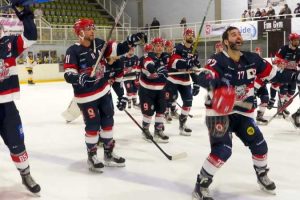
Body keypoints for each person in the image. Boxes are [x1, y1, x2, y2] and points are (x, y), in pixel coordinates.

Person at [192, 26, 300, 200]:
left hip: (243, 113)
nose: (238, 37)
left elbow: (276, 76)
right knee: (223, 150)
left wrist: (294, 77)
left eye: (239, 34)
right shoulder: (217, 60)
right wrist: (216, 82)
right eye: (234, 35)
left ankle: (261, 174)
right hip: (218, 113)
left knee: (260, 146)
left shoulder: (253, 59)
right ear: (226, 42)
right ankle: (201, 184)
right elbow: (204, 76)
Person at [64, 18, 146, 171]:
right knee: (93, 125)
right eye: (89, 28)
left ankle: (108, 153)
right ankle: (92, 156)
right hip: (86, 97)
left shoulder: (100, 44)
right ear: (80, 32)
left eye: (93, 27)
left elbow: (118, 49)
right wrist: (81, 78)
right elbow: (68, 74)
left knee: (108, 121)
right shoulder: (72, 51)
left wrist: (131, 40)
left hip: (103, 91)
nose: (92, 30)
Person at [0, 5, 40, 194]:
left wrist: (25, 14)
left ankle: (25, 174)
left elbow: (31, 36)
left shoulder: (8, 43)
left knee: (17, 141)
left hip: (6, 105)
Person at [167, 28, 201, 136]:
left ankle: (182, 125)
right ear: (184, 36)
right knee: (171, 98)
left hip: (185, 80)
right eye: (188, 35)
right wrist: (186, 62)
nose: (190, 36)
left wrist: (196, 82)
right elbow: (173, 63)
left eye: (192, 35)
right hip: (173, 79)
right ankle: (166, 112)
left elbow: (193, 69)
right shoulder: (178, 48)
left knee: (188, 102)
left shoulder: (194, 51)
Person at [139, 37, 169, 143]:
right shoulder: (148, 57)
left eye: (161, 45)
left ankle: (158, 130)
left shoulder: (165, 57)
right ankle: (145, 130)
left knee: (161, 110)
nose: (160, 48)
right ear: (153, 47)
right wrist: (158, 69)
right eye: (157, 45)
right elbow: (150, 66)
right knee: (148, 112)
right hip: (147, 90)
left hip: (161, 89)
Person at [272, 33, 300, 118]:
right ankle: (281, 106)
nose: (297, 42)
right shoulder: (284, 48)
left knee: (291, 91)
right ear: (291, 41)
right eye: (295, 40)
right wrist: (281, 62)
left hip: (294, 73)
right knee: (283, 90)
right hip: (284, 72)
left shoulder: (299, 50)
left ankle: (284, 105)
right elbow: (276, 59)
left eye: (298, 40)